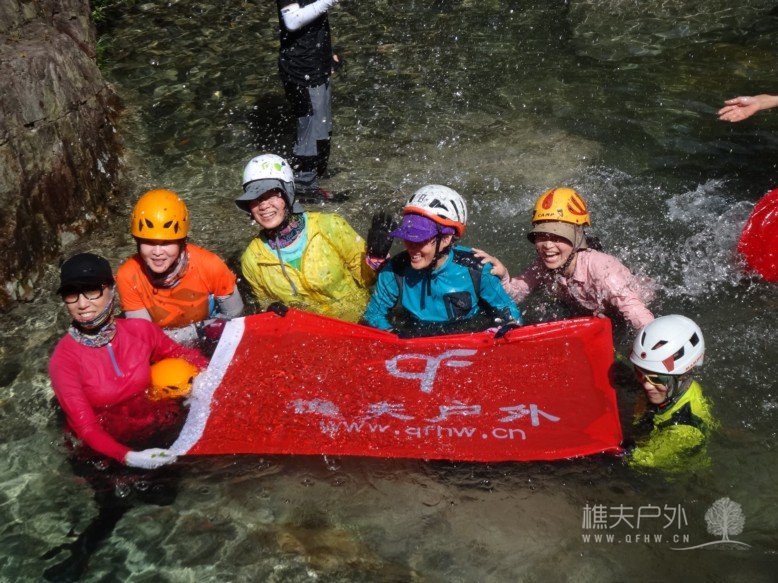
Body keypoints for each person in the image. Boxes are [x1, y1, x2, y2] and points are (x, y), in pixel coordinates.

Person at [45, 253, 208, 579]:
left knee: (165, 495)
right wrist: (129, 456)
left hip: (151, 427)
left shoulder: (140, 331)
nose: (82, 304)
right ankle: (79, 556)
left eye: (92, 290)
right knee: (112, 508)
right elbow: (86, 428)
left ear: (110, 290)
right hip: (101, 448)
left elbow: (181, 354)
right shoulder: (64, 361)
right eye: (71, 294)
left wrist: (204, 377)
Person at [236, 154, 388, 323]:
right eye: (255, 198)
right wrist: (270, 310)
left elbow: (368, 280)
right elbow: (263, 303)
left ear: (288, 193)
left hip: (359, 324)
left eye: (271, 194)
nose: (263, 205)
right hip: (308, 333)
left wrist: (375, 257)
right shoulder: (252, 259)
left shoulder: (330, 226)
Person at [475, 187, 654, 330]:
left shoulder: (602, 270)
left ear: (577, 239)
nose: (547, 245)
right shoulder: (542, 266)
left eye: (557, 237)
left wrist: (656, 344)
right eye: (541, 236)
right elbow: (516, 295)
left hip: (623, 312)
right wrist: (502, 276)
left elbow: (635, 312)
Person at [363, 185, 522, 335]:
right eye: (408, 236)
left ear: (446, 238)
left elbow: (507, 308)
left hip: (467, 330)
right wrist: (392, 335)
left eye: (419, 239)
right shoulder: (395, 271)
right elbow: (374, 314)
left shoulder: (476, 269)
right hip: (415, 331)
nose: (411, 246)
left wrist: (508, 326)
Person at [116, 189, 244, 346]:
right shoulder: (128, 275)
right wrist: (195, 332)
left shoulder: (210, 265)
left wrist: (204, 331)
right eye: (149, 242)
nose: (157, 252)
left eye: (167, 243)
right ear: (137, 242)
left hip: (207, 324)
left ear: (181, 242)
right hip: (177, 337)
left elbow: (235, 316)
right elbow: (145, 338)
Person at [627, 314, 716, 470]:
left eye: (657, 379)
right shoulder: (672, 385)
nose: (647, 385)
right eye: (640, 373)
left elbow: (642, 460)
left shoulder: (684, 428)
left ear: (683, 376)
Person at [277, 0, 341, 200]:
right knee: (310, 131)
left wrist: (328, 55)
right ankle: (303, 186)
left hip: (317, 65)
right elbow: (292, 21)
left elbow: (314, 22)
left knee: (323, 128)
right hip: (301, 71)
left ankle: (314, 177)